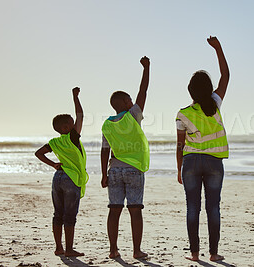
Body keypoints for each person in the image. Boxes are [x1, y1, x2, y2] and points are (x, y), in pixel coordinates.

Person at [176, 36, 229, 262]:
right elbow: (225, 76)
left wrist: (179, 168)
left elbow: (179, 144)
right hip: (214, 162)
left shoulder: (183, 113)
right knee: (213, 207)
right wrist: (218, 49)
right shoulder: (215, 103)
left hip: (191, 163)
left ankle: (195, 254)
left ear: (190, 91)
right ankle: (214, 253)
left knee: (192, 208)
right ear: (208, 89)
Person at [101, 56, 150, 259]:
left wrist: (104, 174)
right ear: (122, 103)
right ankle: (137, 251)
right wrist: (146, 68)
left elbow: (105, 150)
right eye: (129, 99)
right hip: (133, 169)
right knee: (135, 210)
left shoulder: (107, 124)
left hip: (114, 170)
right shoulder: (133, 115)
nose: (132, 101)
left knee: (114, 210)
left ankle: (113, 250)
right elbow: (144, 91)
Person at [35, 87, 88, 257]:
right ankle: (69, 249)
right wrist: (75, 97)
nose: (76, 124)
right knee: (70, 216)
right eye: (72, 123)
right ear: (67, 126)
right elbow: (81, 115)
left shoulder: (54, 142)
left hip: (58, 177)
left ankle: (59, 248)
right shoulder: (72, 137)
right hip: (71, 179)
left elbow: (38, 153)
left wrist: (53, 164)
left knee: (57, 214)